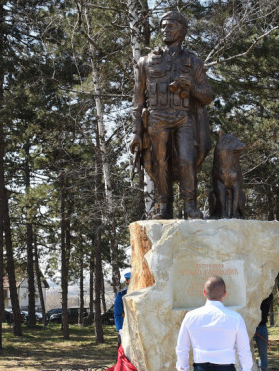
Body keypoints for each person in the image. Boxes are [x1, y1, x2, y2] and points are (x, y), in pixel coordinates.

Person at [129, 10, 214, 220]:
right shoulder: (146, 62)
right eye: (163, 27)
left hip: (183, 117)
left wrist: (192, 87)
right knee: (160, 162)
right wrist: (136, 132)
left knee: (187, 159)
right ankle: (165, 207)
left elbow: (207, 96)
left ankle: (190, 205)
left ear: (182, 31)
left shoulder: (193, 61)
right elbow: (138, 100)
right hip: (157, 118)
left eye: (171, 26)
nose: (165, 30)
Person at [175, 276, 252, 371]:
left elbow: (182, 348)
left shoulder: (190, 317)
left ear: (204, 293)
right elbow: (244, 351)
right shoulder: (236, 318)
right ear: (225, 294)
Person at [254, 293, 273, 371]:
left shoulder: (268, 293)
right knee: (245, 353)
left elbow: (266, 300)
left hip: (262, 326)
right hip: (250, 325)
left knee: (263, 354)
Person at [113, 272, 130, 345]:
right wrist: (120, 330)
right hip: (127, 327)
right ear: (127, 281)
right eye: (129, 280)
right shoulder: (121, 295)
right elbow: (118, 314)